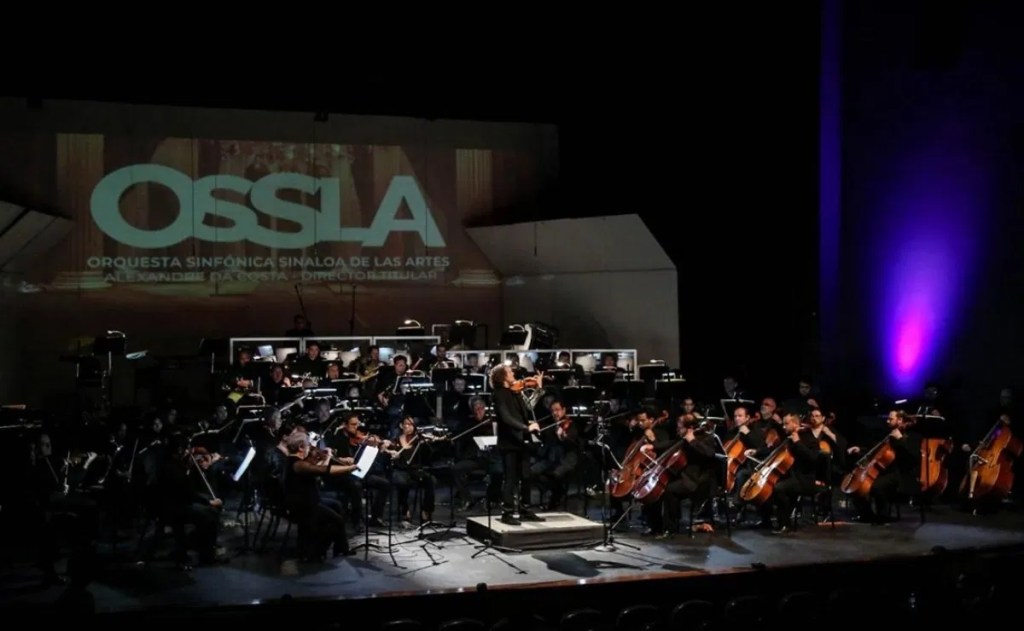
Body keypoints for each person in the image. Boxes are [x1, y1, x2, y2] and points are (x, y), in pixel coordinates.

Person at [490, 364, 543, 525]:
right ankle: (507, 513)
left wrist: (539, 388)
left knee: (526, 476)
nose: (513, 373)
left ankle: (525, 509)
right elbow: (507, 418)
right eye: (509, 372)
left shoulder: (516, 391)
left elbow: (529, 407)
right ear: (502, 377)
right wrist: (526, 427)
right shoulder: (499, 395)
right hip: (509, 443)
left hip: (522, 441)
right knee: (511, 479)